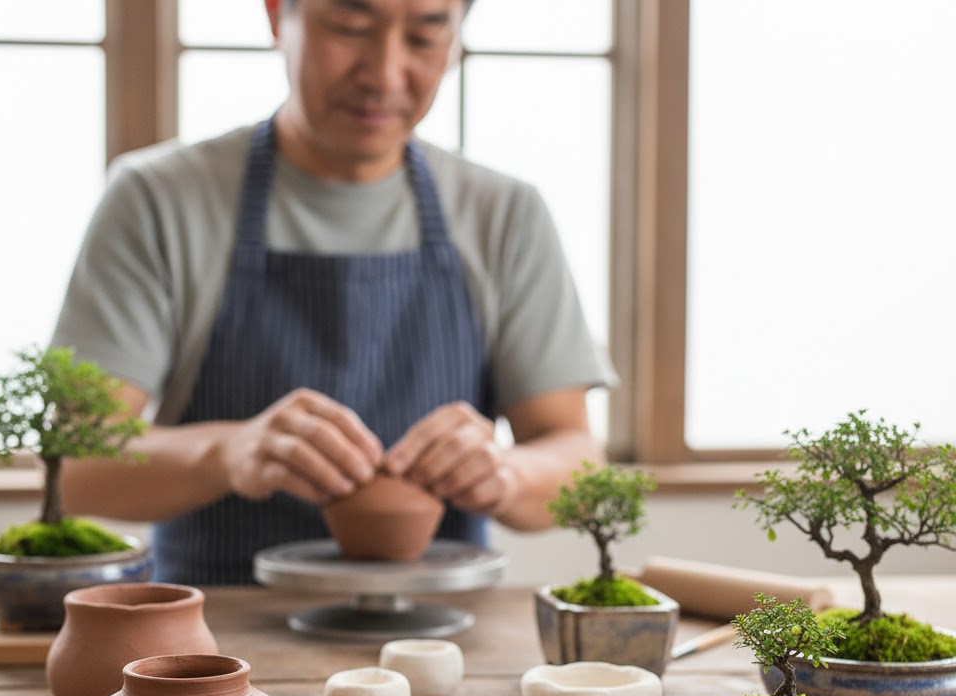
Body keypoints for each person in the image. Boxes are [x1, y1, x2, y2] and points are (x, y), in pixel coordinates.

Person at [50, 0, 614, 584]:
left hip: (443, 640)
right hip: (214, 642)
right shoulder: (158, 200)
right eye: (351, 28)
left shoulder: (505, 214)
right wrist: (228, 452)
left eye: (424, 36)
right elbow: (78, 463)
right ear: (276, 15)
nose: (384, 74)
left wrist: (507, 473)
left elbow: (574, 454)